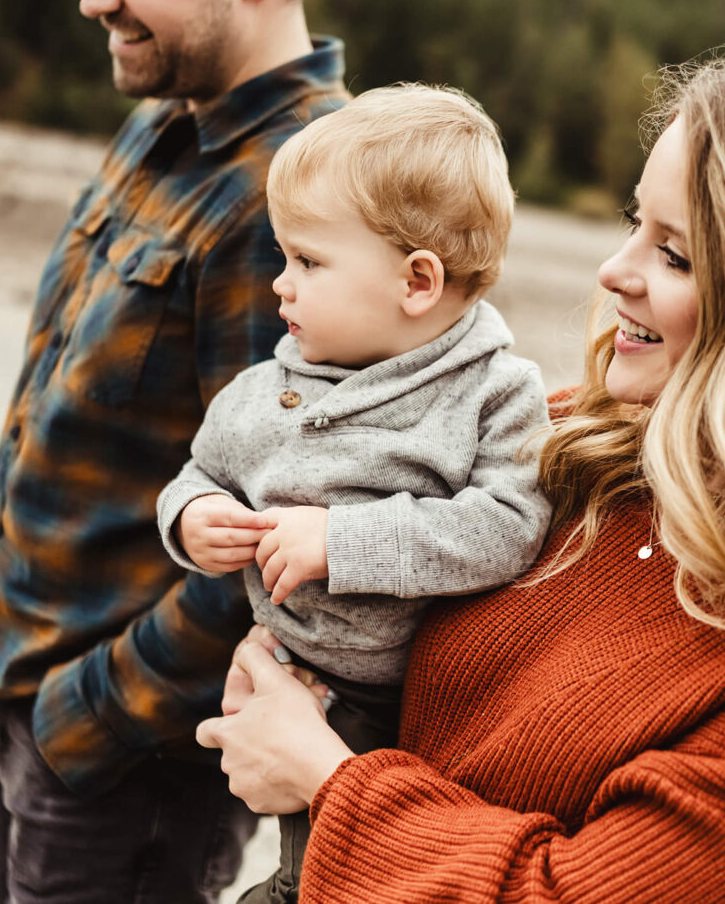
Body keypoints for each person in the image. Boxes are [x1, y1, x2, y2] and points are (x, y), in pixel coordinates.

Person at [195, 36, 725, 903]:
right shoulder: (570, 443)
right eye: (631, 223)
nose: (615, 271)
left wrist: (329, 780)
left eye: (674, 253)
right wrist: (286, 680)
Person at [0, 0, 348, 901]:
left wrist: (87, 713)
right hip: (27, 700)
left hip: (125, 768)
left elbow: (278, 543)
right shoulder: (162, 120)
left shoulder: (309, 197)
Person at [157, 84, 553, 902]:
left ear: (417, 281)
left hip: (413, 708)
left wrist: (342, 541)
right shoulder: (267, 389)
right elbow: (199, 474)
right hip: (291, 672)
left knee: (349, 876)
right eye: (282, 257)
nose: (280, 285)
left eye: (307, 261)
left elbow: (511, 523)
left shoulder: (495, 393)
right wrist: (193, 521)